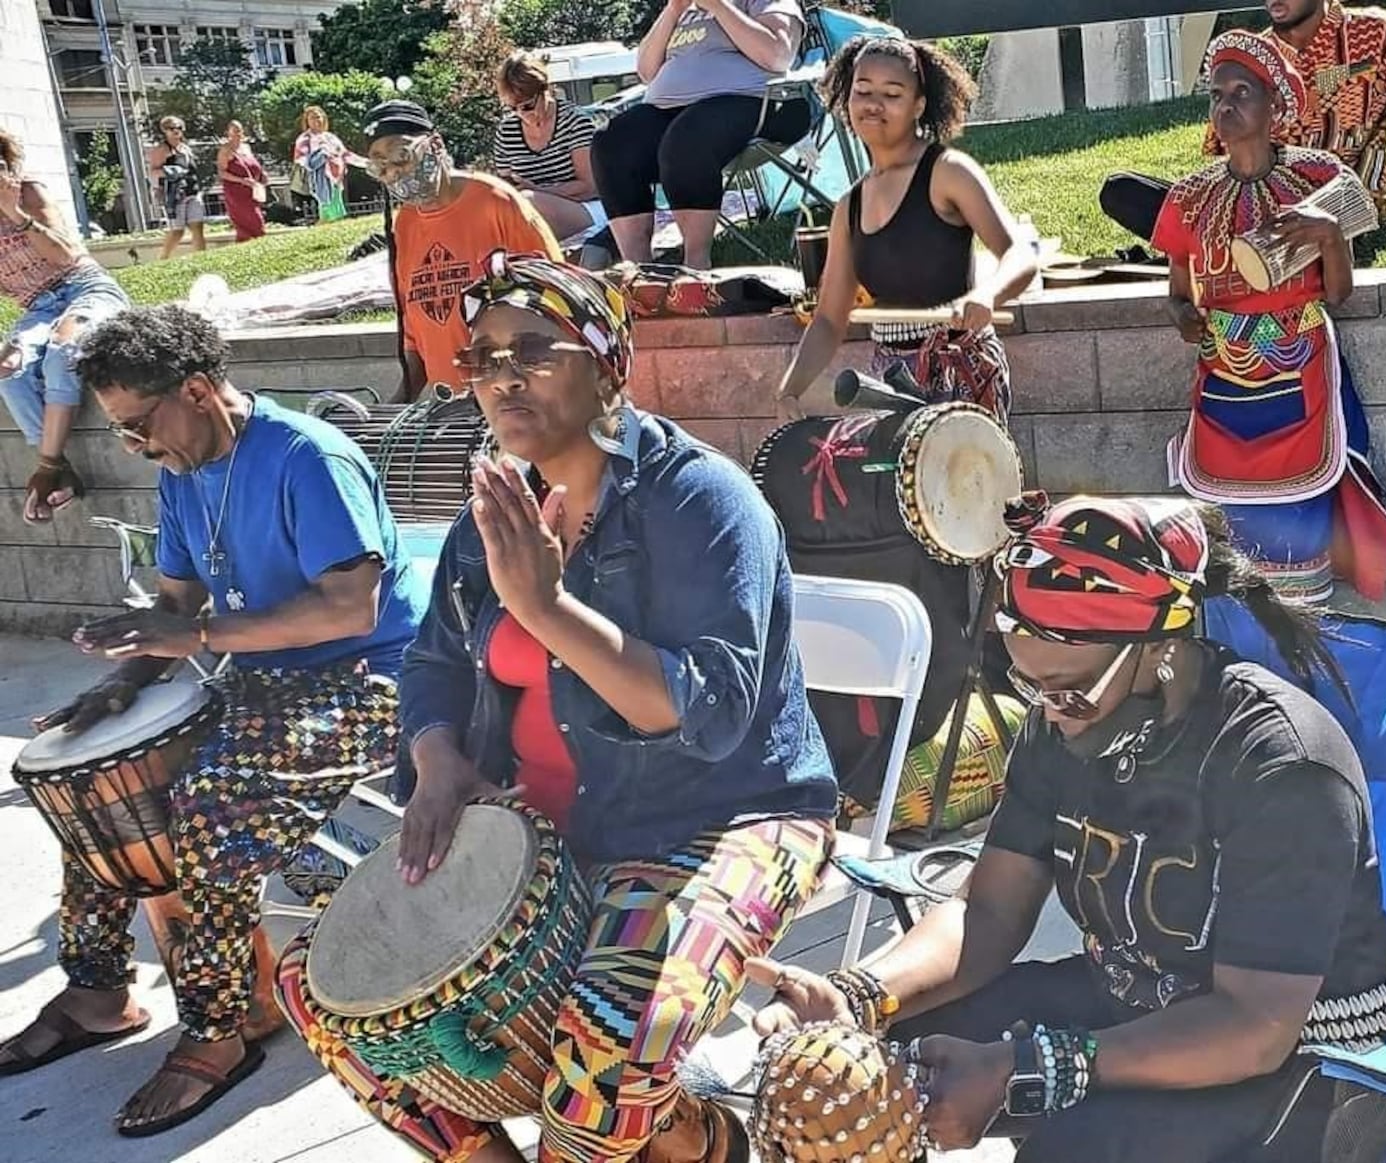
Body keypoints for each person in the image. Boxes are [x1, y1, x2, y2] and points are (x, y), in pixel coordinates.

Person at [275, 251, 838, 1163]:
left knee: (600, 1060)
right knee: (328, 990)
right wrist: (438, 758)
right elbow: (435, 661)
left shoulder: (701, 500)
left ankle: (674, 1141)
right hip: (541, 825)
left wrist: (546, 607)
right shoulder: (496, 505)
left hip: (716, 815)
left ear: (607, 360)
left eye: (533, 349)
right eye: (483, 357)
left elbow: (712, 713)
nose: (502, 375)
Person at [751, 492, 1386, 1163]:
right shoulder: (1061, 725)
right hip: (1140, 999)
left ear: (1159, 647)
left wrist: (1025, 1066)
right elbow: (986, 911)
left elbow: (1254, 1026)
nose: (1049, 712)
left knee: (1071, 1149)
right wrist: (858, 995)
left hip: (1311, 1064)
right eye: (1029, 685)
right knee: (863, 1064)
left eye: (1069, 689)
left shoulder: (1280, 761)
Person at [0, 304, 428, 1136]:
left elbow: (349, 607)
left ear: (197, 389)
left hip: (375, 679)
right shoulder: (183, 469)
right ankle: (97, 992)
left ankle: (221, 1026)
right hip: (265, 678)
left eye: (137, 425)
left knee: (210, 802)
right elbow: (176, 603)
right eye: (119, 431)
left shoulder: (308, 457)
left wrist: (192, 636)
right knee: (94, 781)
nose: (132, 446)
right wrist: (119, 686)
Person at [1153, 31, 1386, 601]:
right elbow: (1178, 291)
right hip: (1223, 383)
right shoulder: (1189, 197)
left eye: (1243, 93)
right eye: (1217, 95)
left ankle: (1302, 647)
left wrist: (1330, 236)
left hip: (1298, 371)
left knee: (1298, 519)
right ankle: (1240, 661)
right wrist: (1183, 317)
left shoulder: (1316, 178)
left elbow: (1338, 295)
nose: (1227, 106)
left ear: (1275, 105)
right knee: (1231, 535)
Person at [1099, 0, 1386, 242]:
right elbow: (1224, 156)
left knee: (1295, 228)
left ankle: (1211, 249)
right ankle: (1209, 244)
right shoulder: (1251, 60)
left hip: (1339, 208)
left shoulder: (1378, 33)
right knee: (1120, 190)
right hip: (1256, 205)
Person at [774, 37, 1038, 424]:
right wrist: (788, 391)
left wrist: (987, 295)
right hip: (890, 381)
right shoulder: (849, 206)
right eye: (862, 91)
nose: (873, 104)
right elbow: (830, 319)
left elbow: (1020, 254)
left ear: (919, 105)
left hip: (961, 370)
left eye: (892, 94)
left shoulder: (949, 172)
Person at [363, 99, 563, 402]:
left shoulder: (495, 201)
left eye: (401, 155)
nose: (393, 172)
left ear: (435, 144)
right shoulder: (404, 224)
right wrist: (392, 413)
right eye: (380, 164)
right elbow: (415, 336)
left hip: (520, 398)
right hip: (454, 409)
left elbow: (559, 299)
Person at [591, 0, 813, 269]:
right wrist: (674, 10)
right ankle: (639, 270)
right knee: (612, 142)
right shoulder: (684, 9)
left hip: (756, 101)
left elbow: (777, 55)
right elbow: (647, 72)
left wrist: (718, 5)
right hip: (672, 110)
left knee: (686, 138)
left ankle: (696, 264)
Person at [0, 130, 129, 523]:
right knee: (8, 369)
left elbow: (67, 256)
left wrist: (14, 212)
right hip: (38, 309)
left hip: (84, 288)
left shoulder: (28, 193)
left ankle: (48, 465)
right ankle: (63, 471)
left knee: (63, 351)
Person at [492, 51, 607, 247]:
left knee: (526, 203)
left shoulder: (575, 122)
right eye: (512, 108)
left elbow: (590, 186)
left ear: (544, 90)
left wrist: (538, 191)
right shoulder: (506, 131)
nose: (521, 114)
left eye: (527, 106)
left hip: (588, 208)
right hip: (533, 207)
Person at [147, 117, 207, 261]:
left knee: (197, 226)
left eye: (178, 128)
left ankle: (202, 258)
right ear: (164, 131)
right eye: (171, 128)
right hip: (175, 194)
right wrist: (170, 171)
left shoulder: (186, 148)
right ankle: (163, 258)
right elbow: (153, 172)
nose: (175, 131)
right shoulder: (162, 150)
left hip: (192, 190)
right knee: (177, 231)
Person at [292, 106, 359, 224]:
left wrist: (364, 162)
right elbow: (304, 161)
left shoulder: (331, 137)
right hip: (321, 180)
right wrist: (323, 154)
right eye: (312, 118)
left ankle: (334, 231)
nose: (316, 120)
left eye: (318, 117)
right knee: (327, 209)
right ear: (307, 121)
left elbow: (345, 154)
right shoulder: (305, 139)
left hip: (336, 180)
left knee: (336, 210)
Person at [216, 120, 267, 243]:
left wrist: (262, 174)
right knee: (253, 223)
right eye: (233, 130)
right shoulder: (226, 149)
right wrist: (241, 180)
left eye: (238, 130)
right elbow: (221, 172)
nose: (237, 133)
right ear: (228, 133)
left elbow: (253, 165)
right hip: (236, 193)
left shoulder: (246, 147)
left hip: (252, 191)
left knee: (256, 221)